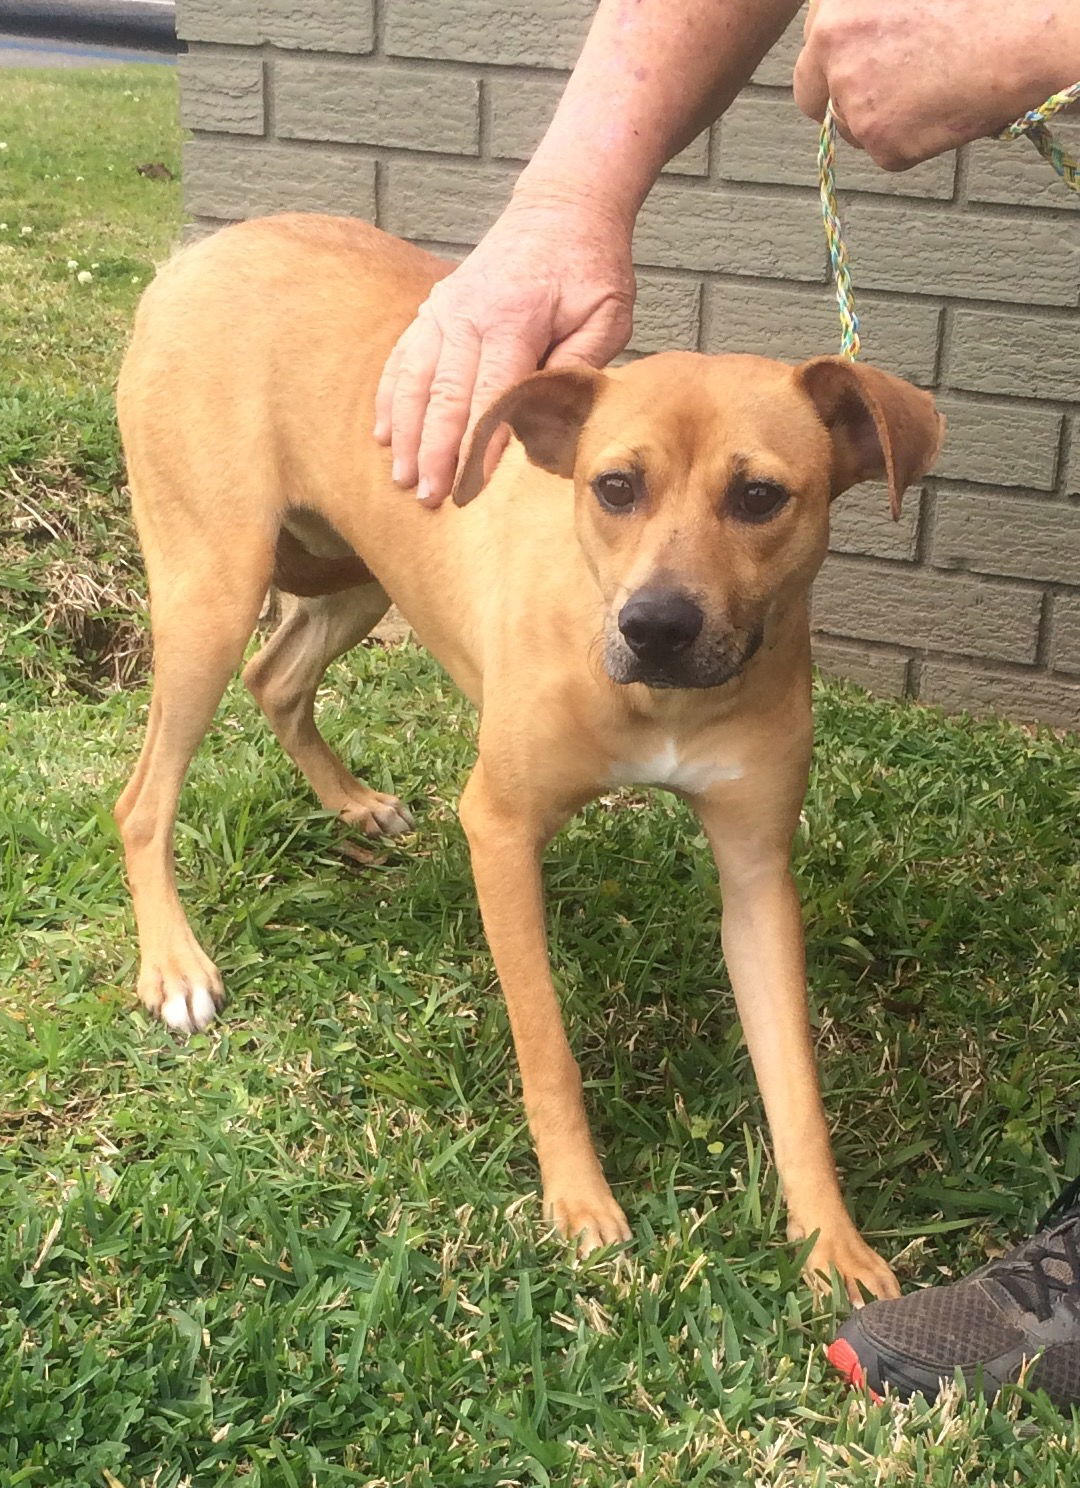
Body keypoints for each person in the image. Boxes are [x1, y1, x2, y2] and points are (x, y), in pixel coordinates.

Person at [374, 0, 1080, 1408]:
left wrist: (821, 1213)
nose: (667, 586)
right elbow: (494, 823)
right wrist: (562, 1145)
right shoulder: (567, 527)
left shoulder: (783, 610)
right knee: (227, 631)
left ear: (857, 469)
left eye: (755, 503)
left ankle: (814, 1193)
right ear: (556, 450)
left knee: (759, 869)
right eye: (620, 493)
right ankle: (154, 853)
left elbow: (758, 894)